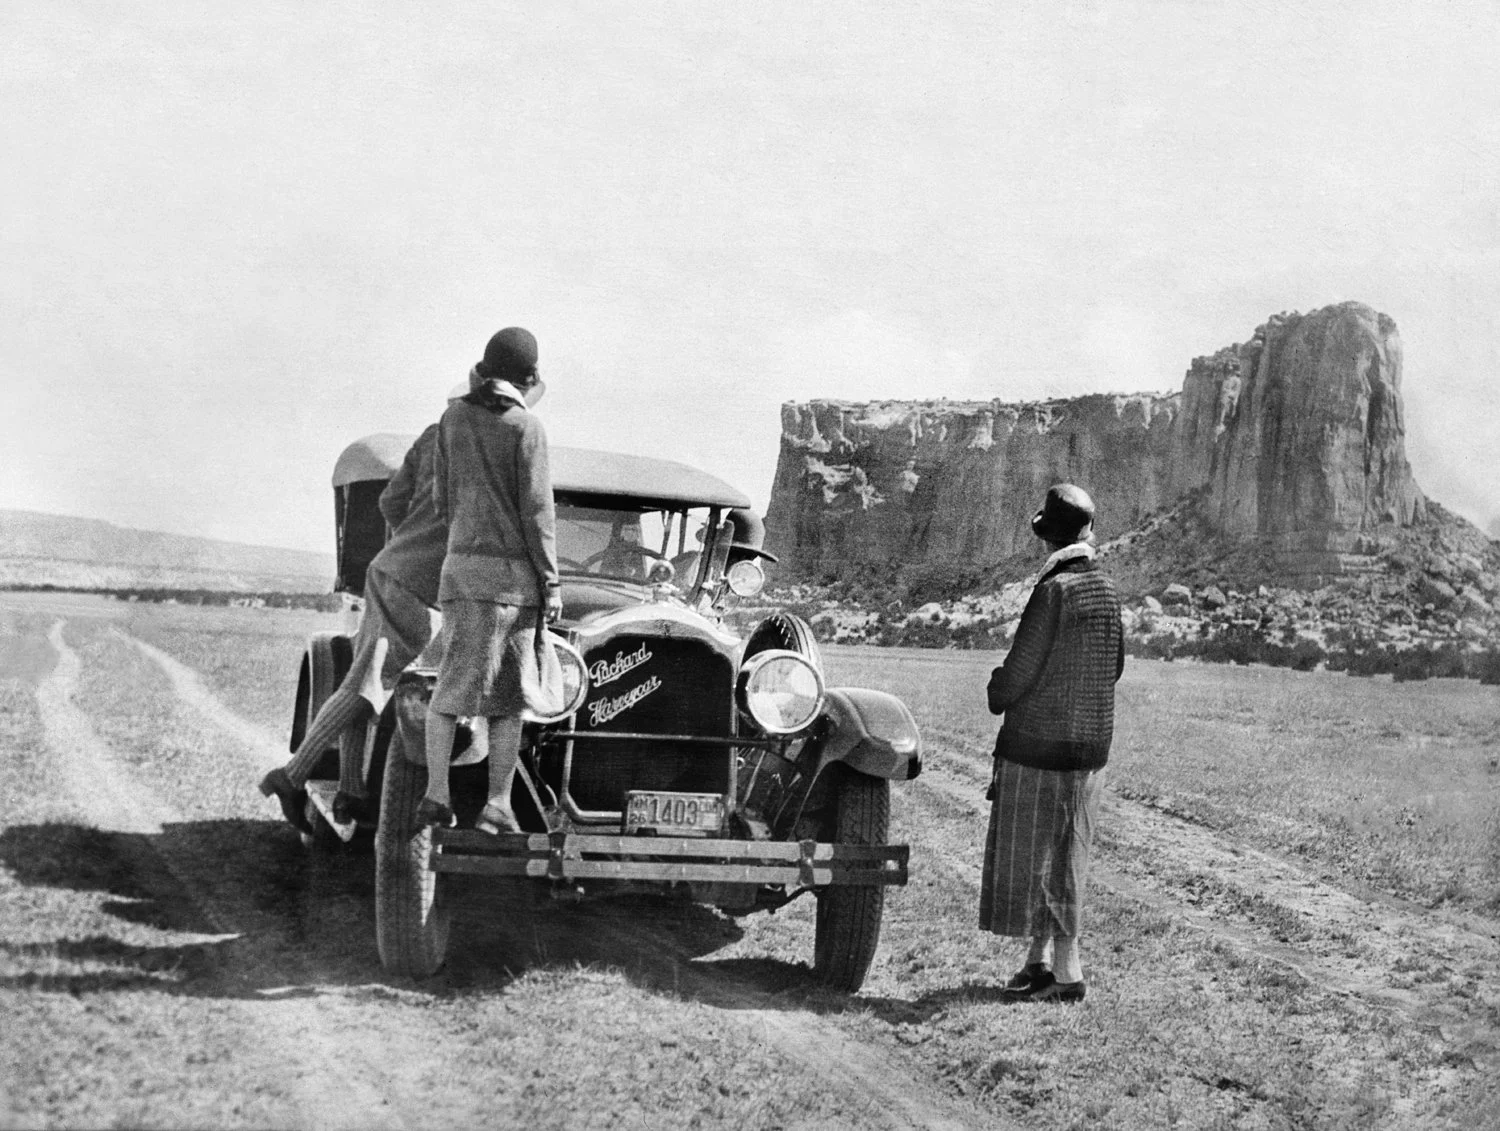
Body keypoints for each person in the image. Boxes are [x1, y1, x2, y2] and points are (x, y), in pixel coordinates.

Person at [259, 410, 449, 831]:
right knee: (370, 686)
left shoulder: (435, 435)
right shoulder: (479, 448)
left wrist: (409, 540)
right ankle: (291, 777)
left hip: (390, 572)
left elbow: (390, 501)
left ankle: (350, 790)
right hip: (415, 584)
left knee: (364, 678)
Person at [980, 483, 1124, 1004]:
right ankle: (1038, 962)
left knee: (1043, 859)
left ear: (1049, 538)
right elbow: (1116, 667)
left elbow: (1020, 670)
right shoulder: (1106, 588)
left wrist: (997, 691)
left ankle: (1067, 974)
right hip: (1091, 748)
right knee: (1065, 853)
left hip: (1042, 748)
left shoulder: (1054, 589)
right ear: (1087, 531)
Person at [417, 327, 562, 834]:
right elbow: (537, 515)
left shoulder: (451, 419)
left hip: (459, 577)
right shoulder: (528, 428)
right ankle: (497, 806)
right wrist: (552, 583)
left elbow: (441, 503)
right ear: (529, 378)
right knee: (507, 701)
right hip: (512, 586)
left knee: (449, 692)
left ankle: (436, 794)